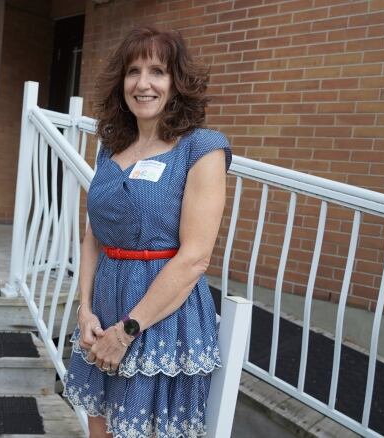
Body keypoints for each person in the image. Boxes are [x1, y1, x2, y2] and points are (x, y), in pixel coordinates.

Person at [62, 26, 232, 438]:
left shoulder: (201, 148)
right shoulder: (110, 145)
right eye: (133, 71)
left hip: (159, 317)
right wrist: (85, 309)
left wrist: (127, 331)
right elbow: (94, 234)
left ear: (176, 83)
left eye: (157, 71)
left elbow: (195, 258)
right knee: (99, 428)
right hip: (105, 305)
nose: (143, 83)